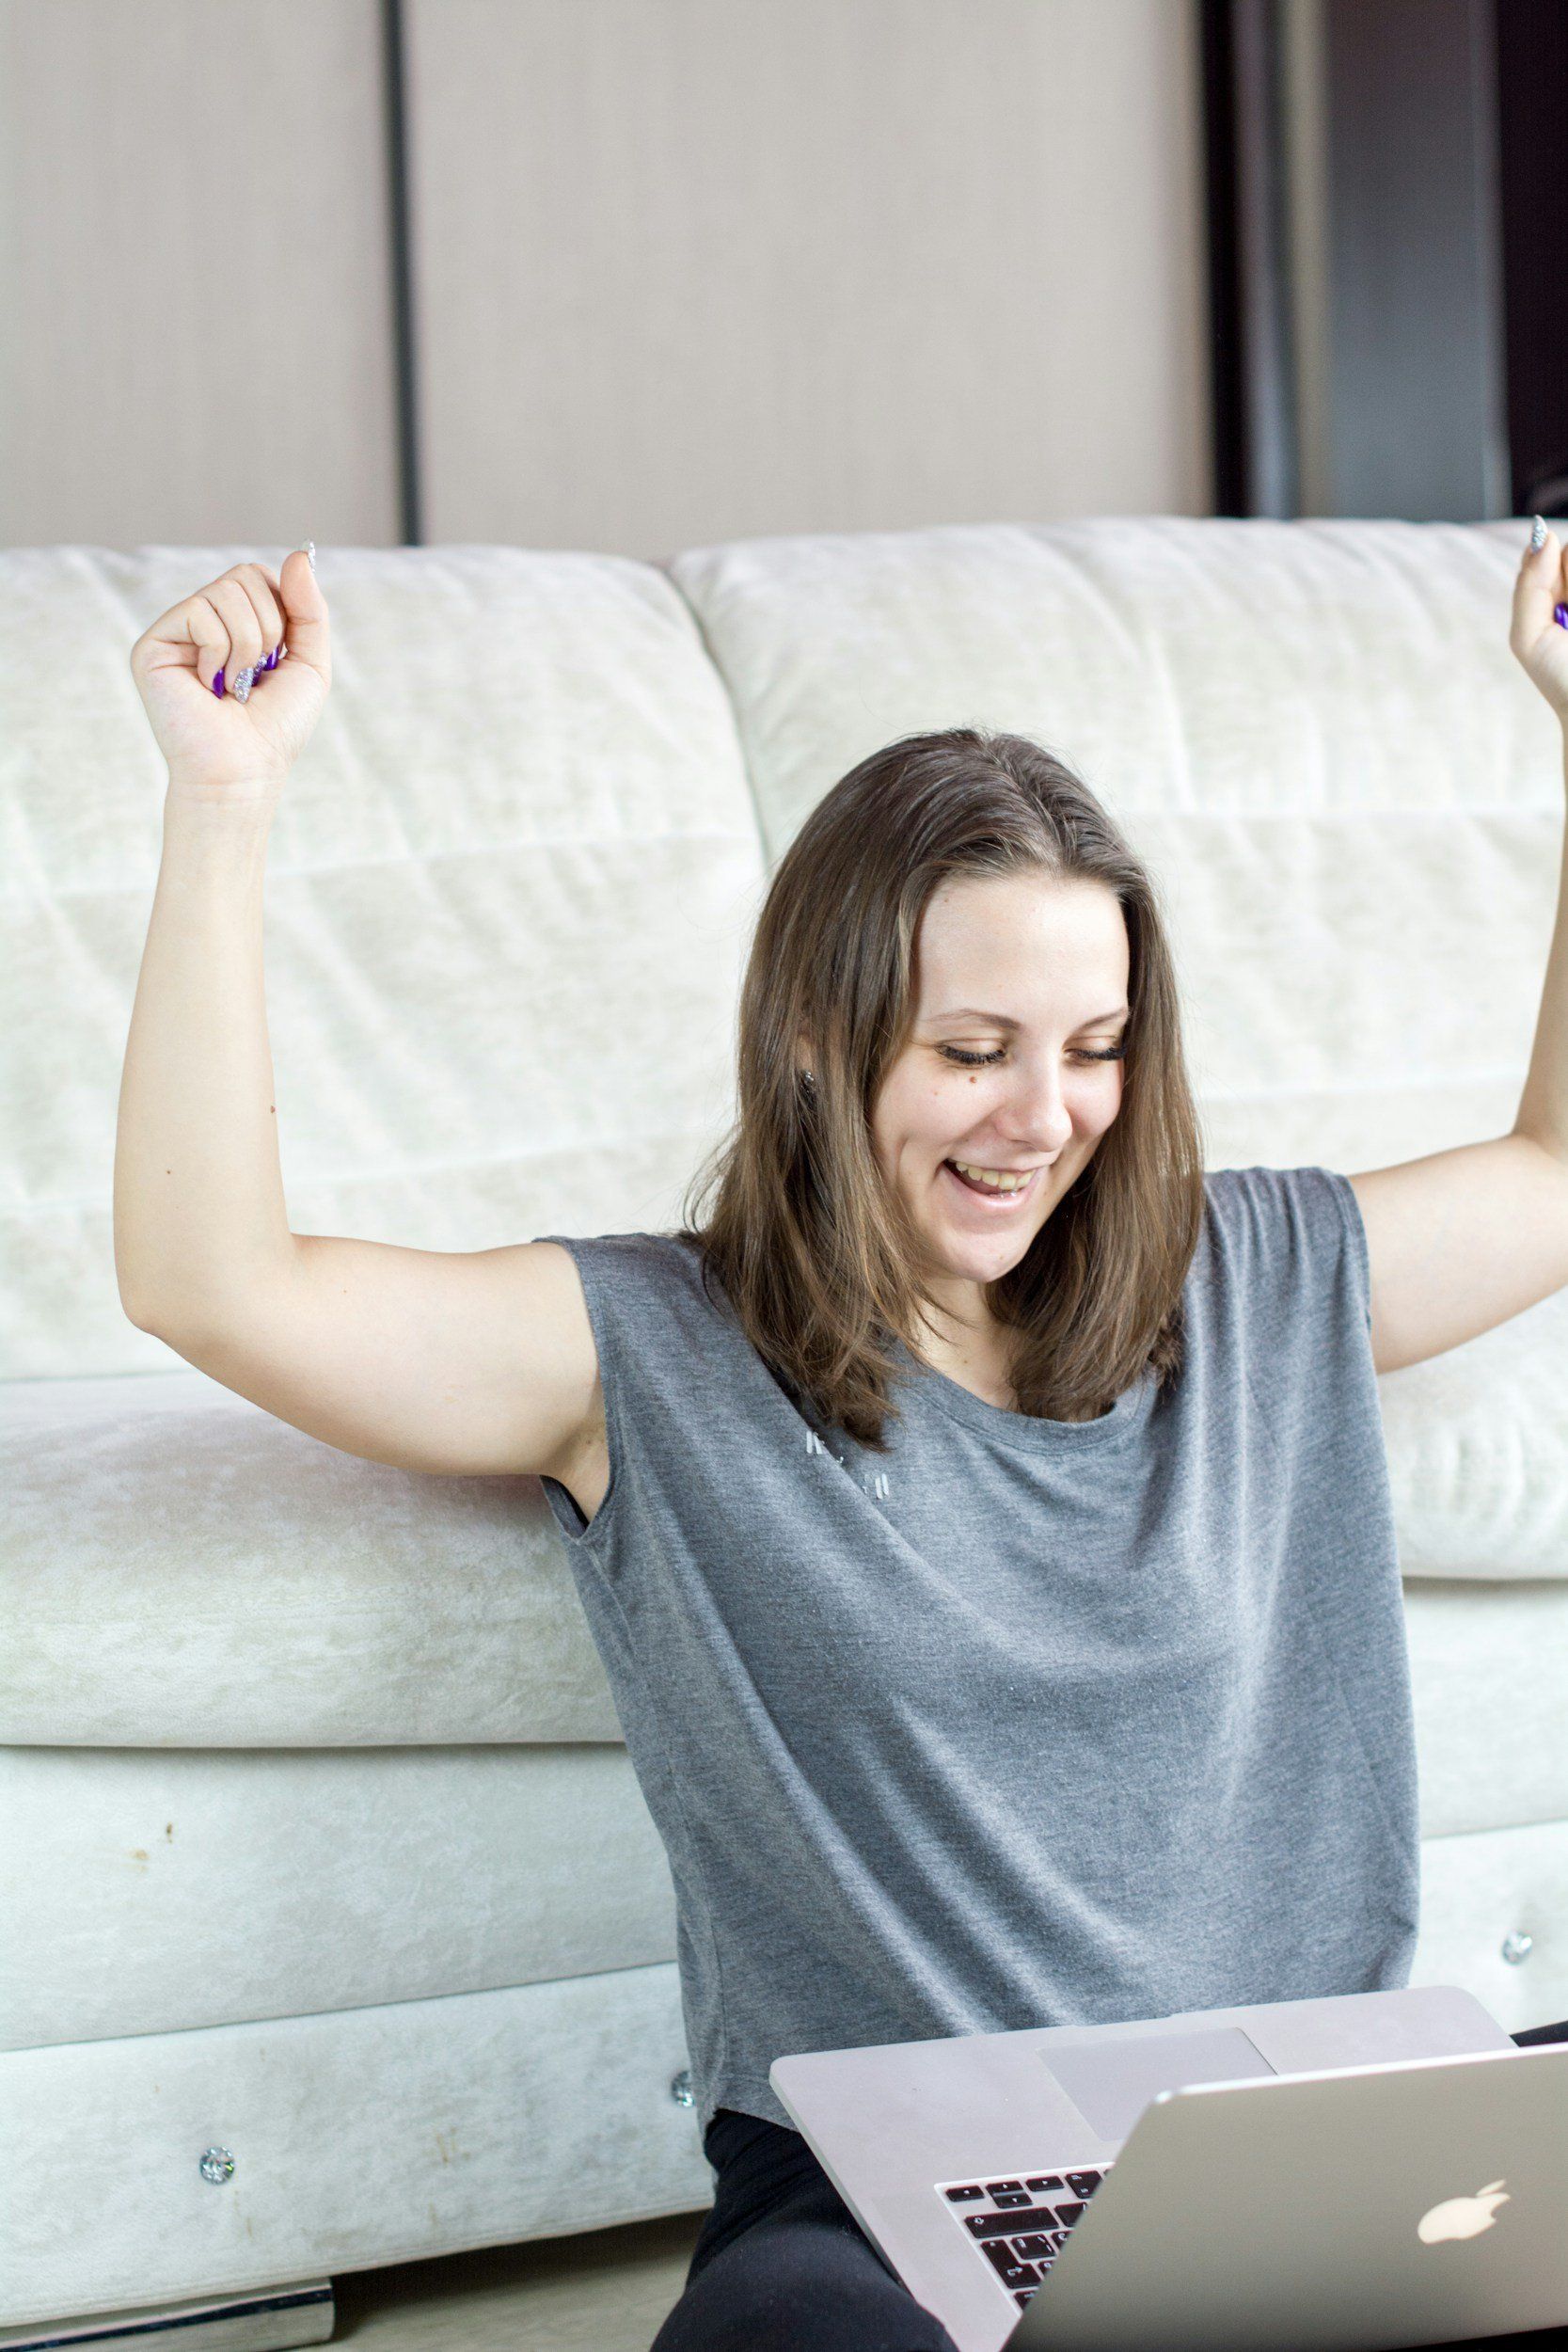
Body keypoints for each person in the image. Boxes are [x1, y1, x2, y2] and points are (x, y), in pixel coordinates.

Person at [119, 537, 1568, 2352]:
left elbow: (1556, 1167)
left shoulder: (1257, 1276)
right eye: (972, 1049)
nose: (1045, 1120)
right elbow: (215, 1283)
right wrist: (224, 799)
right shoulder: (646, 1349)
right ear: (816, 1032)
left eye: (1097, 1048)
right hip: (884, 2202)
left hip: (1302, 2157)